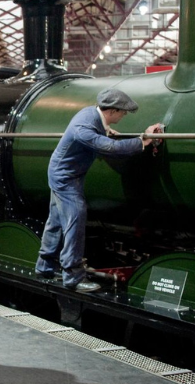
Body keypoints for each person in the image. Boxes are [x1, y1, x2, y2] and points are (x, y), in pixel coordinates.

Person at [36, 88, 160, 292]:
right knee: (75, 218)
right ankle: (73, 277)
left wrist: (105, 131)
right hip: (65, 176)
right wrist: (142, 141)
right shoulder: (84, 126)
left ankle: (44, 266)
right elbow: (110, 148)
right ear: (112, 110)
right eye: (123, 112)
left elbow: (100, 135)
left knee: (57, 220)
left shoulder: (91, 115)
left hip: (66, 173)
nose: (124, 115)